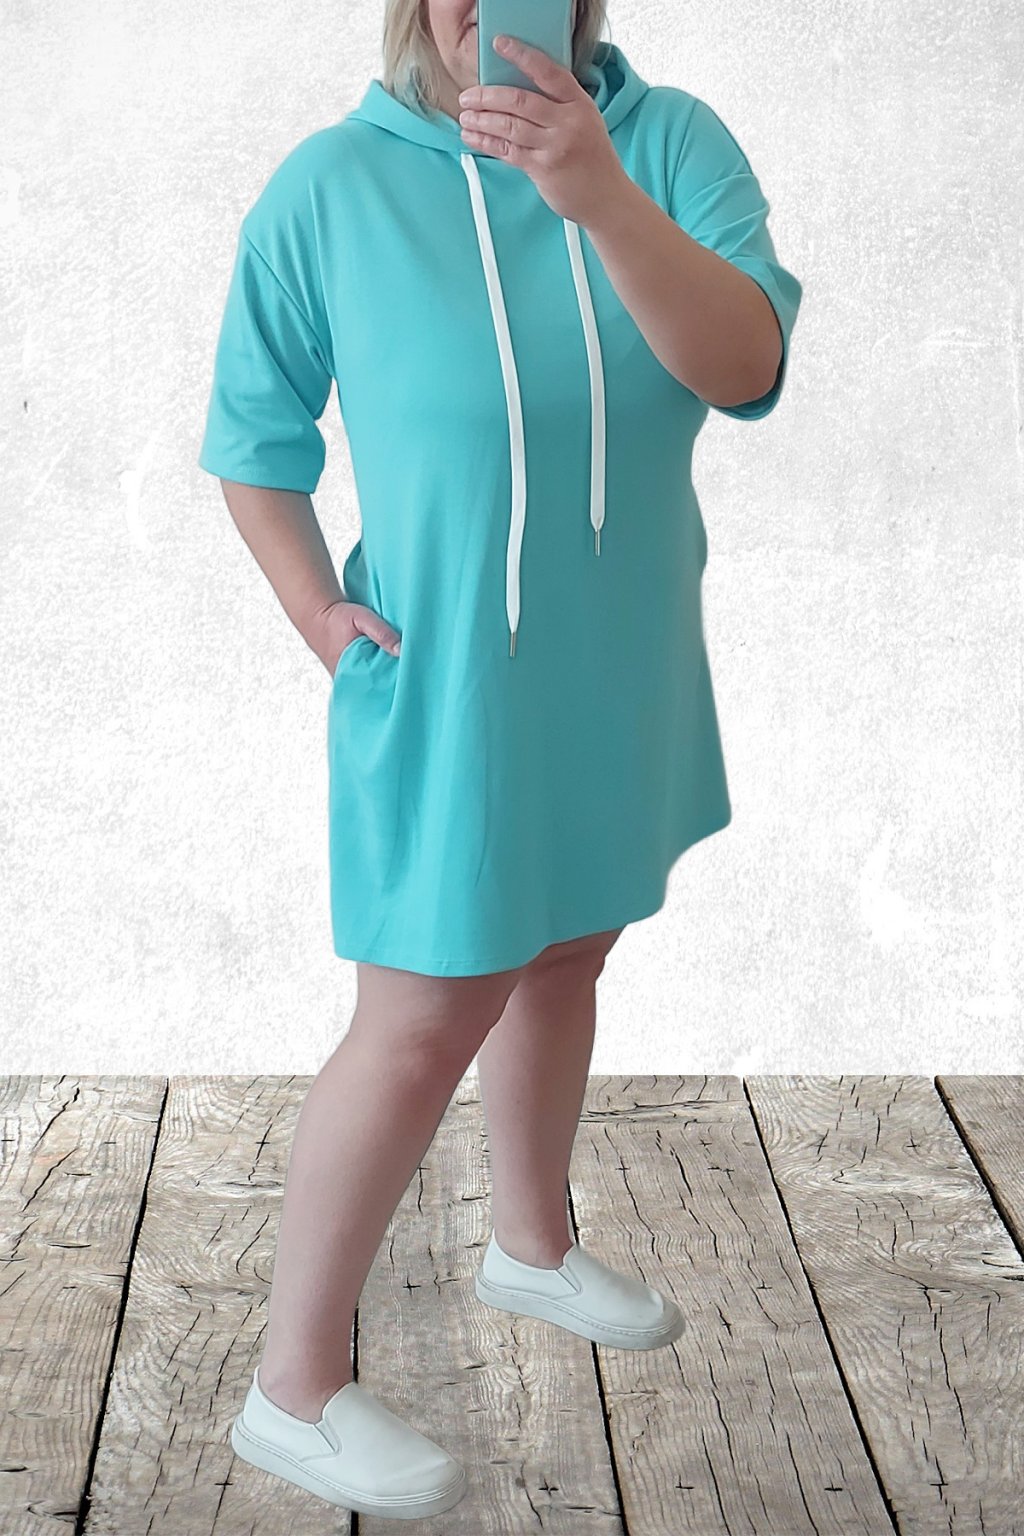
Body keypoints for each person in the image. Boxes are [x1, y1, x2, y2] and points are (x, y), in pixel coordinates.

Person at [198, 0, 802, 1519]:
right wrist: (320, 615)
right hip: (449, 680)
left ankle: (531, 1246)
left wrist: (596, 194)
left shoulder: (670, 144)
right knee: (420, 1017)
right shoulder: (333, 186)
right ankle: (292, 1389)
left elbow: (744, 367)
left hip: (618, 664)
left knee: (569, 947)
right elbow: (252, 442)